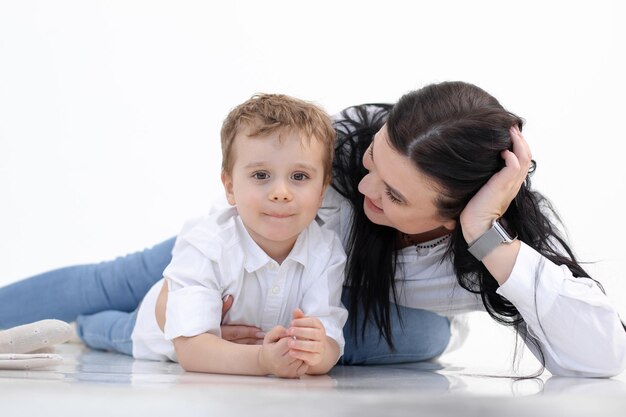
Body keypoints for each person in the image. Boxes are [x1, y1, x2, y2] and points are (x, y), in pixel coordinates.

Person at [2, 81, 625, 377]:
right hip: (257, 246)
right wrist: (214, 306)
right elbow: (261, 177)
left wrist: (486, 235)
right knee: (130, 279)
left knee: (422, 338)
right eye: (375, 161)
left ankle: (108, 333)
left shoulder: (481, 249)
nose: (361, 188)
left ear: (449, 216)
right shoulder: (347, 143)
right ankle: (119, 326)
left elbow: (605, 357)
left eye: (392, 195)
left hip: (328, 300)